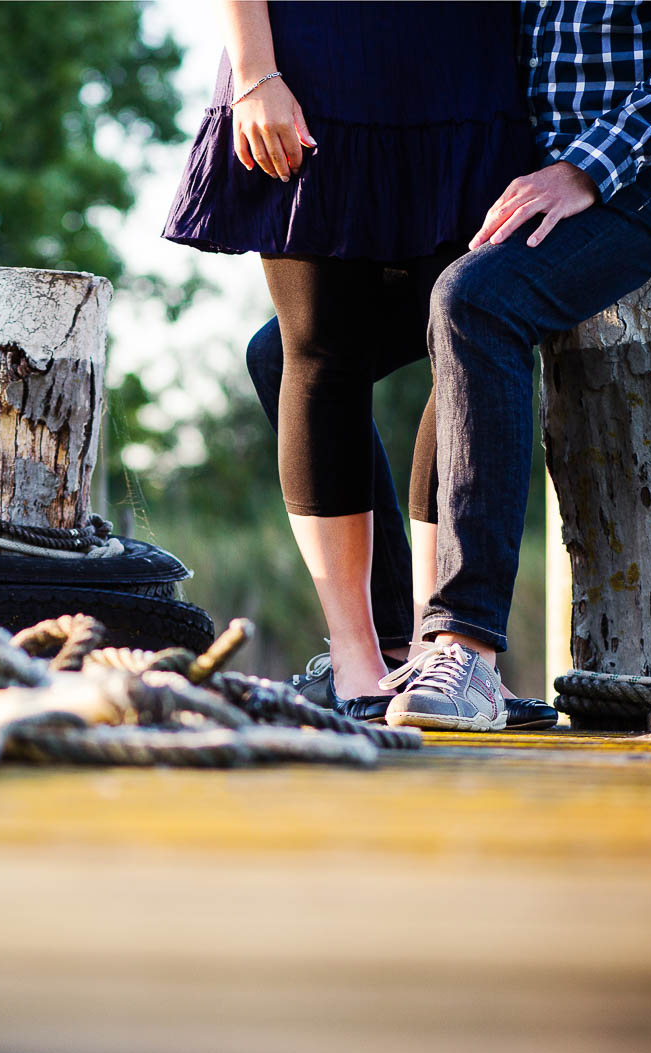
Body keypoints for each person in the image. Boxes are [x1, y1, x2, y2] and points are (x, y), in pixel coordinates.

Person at [382, 1, 651, 731]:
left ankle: (468, 650)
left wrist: (587, 168)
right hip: (525, 190)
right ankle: (391, 652)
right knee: (289, 350)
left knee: (477, 302)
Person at [163, 2, 533, 720]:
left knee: (465, 338)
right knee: (321, 347)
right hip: (312, 58)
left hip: (471, 67)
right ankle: (360, 663)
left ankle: (441, 657)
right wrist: (254, 73)